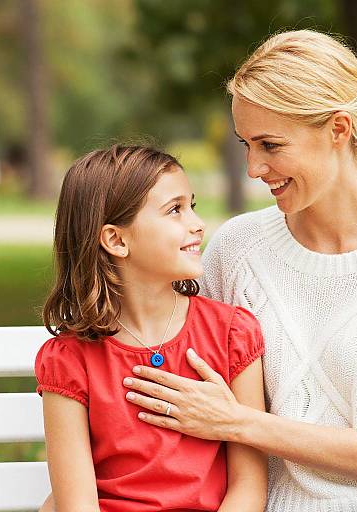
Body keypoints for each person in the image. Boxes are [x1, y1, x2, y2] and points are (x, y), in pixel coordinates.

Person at [121, 30, 357, 512]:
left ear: (339, 129)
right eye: (245, 144)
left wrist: (236, 422)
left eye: (270, 144)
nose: (252, 167)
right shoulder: (236, 248)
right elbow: (164, 357)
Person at [35, 144, 267, 512]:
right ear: (116, 240)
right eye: (175, 210)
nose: (197, 223)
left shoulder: (231, 334)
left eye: (192, 205)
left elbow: (249, 488)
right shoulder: (69, 360)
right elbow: (77, 505)